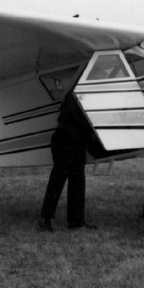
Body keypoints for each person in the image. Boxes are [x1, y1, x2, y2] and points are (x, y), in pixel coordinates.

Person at [38, 92, 98, 232]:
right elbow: (85, 124)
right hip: (65, 139)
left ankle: (76, 221)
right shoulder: (78, 94)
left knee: (78, 180)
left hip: (76, 141)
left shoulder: (78, 94)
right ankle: (44, 219)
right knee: (58, 179)